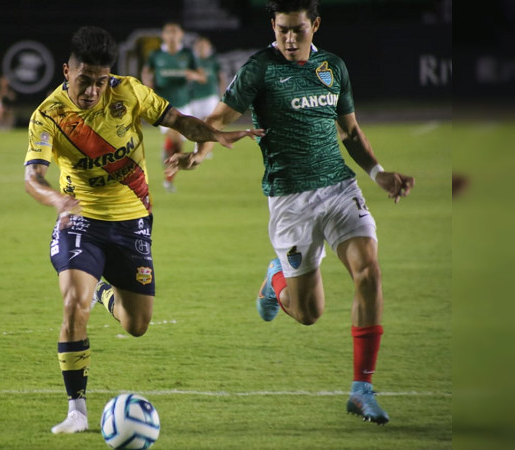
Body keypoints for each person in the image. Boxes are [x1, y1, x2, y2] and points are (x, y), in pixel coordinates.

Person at [166, 0, 414, 425]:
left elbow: (350, 131)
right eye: (282, 29)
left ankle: (361, 389)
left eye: (298, 29)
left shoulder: (333, 67)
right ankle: (275, 278)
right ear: (273, 26)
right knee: (308, 314)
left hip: (338, 188)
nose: (290, 38)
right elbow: (218, 117)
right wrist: (198, 155)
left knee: (369, 271)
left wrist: (378, 173)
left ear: (315, 25)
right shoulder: (260, 68)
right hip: (290, 200)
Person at [24, 26, 260, 435]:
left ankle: (101, 290)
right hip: (79, 222)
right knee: (72, 305)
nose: (93, 91)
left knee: (137, 325)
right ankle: (76, 410)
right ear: (67, 71)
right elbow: (33, 176)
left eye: (101, 81)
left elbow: (179, 120)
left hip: (132, 221)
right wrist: (57, 201)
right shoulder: (48, 115)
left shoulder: (129, 92)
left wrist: (212, 135)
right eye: (84, 81)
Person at [141, 22, 205, 193]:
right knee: (176, 139)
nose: (172, 36)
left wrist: (193, 75)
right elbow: (146, 72)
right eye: (168, 32)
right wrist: (147, 82)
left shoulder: (187, 54)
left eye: (175, 32)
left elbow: (202, 77)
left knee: (178, 146)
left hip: (184, 104)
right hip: (164, 107)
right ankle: (169, 176)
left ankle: (168, 171)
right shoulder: (156, 55)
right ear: (163, 35)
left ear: (181, 35)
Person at [189, 36, 226, 122]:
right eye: (199, 46)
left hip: (211, 97)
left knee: (210, 123)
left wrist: (223, 96)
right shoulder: (192, 62)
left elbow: (221, 79)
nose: (202, 48)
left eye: (204, 46)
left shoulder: (213, 61)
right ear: (195, 48)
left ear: (209, 47)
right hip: (195, 98)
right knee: (196, 125)